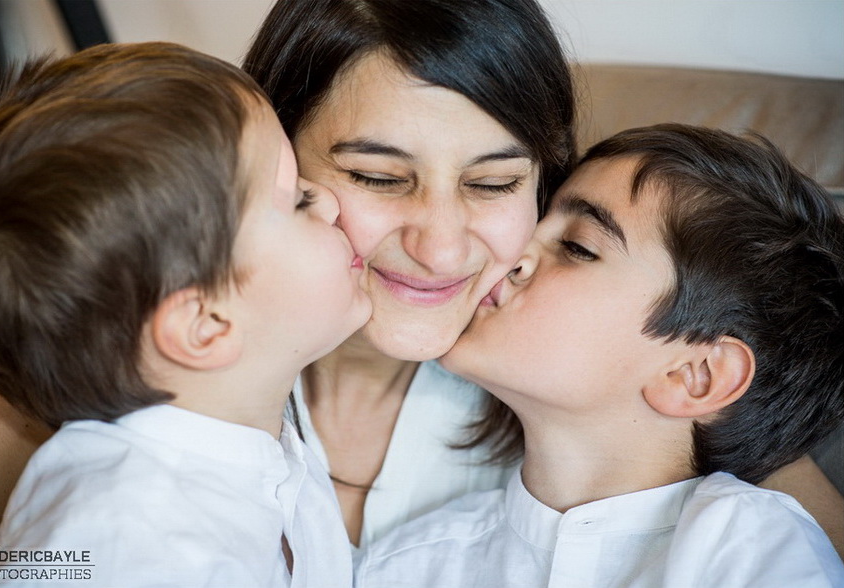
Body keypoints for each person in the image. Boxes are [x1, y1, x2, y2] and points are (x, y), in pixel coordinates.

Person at [0, 0, 842, 568]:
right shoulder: (109, 329)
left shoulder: (598, 385)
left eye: (495, 184)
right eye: (377, 179)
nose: (442, 243)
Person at [355, 124, 844, 587]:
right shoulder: (407, 561)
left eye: (577, 247)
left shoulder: (748, 544)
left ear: (695, 375)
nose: (513, 254)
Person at [0, 42, 370, 587]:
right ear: (205, 326)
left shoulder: (244, 442)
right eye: (295, 199)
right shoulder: (126, 541)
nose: (333, 202)